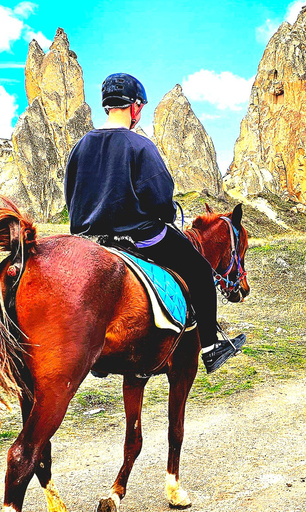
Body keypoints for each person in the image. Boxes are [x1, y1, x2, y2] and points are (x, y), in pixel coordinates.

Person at [64, 73, 245, 374]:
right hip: (139, 237)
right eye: (140, 108)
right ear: (134, 107)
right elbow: (161, 200)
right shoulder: (140, 146)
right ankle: (212, 347)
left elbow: (72, 195)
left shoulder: (81, 146)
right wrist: (165, 213)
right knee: (200, 270)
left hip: (93, 240)